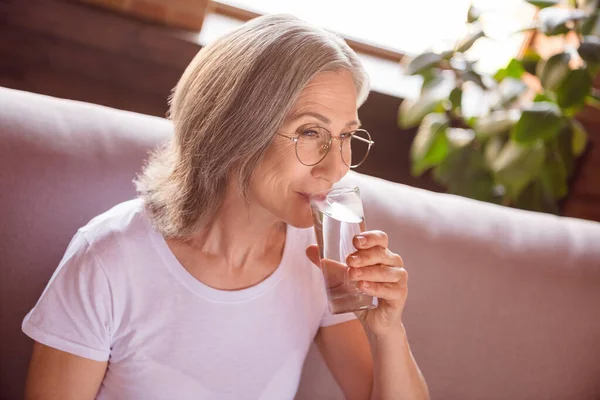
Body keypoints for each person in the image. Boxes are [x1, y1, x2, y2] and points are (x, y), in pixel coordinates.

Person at [22, 13, 429, 400]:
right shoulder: (108, 260)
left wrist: (388, 330)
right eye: (310, 132)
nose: (337, 166)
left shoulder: (321, 260)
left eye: (345, 136)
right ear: (236, 127)